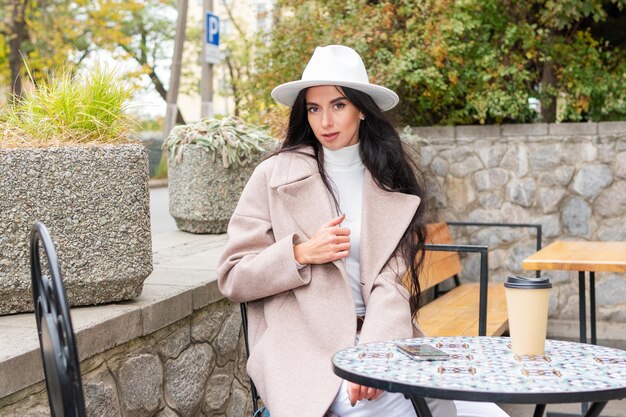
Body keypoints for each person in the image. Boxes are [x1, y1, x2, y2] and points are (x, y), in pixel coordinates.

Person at [217, 45, 509, 417]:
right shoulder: (274, 176)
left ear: (362, 110)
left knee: (473, 407)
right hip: (303, 346)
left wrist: (372, 355)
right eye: (314, 108)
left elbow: (392, 284)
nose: (325, 122)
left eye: (338, 106)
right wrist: (300, 254)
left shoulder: (389, 181)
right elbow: (233, 277)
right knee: (390, 410)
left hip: (380, 334)